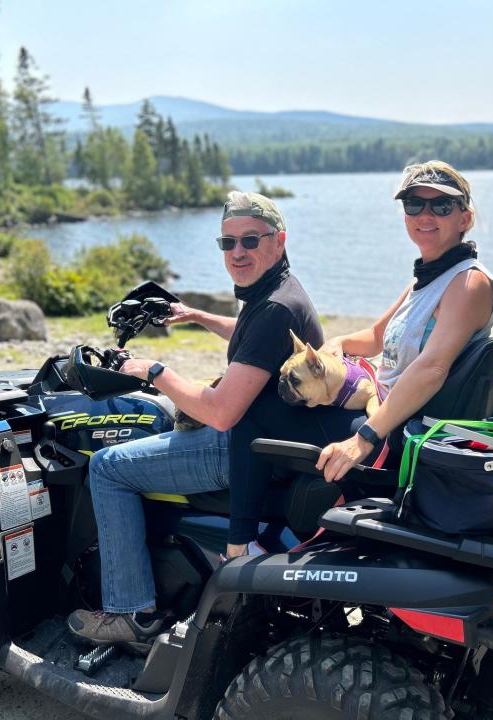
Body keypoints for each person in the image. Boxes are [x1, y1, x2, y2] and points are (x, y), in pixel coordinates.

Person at [67, 191, 323, 648]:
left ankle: (131, 611)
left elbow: (221, 413)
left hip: (241, 446)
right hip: (265, 438)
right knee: (153, 431)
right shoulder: (280, 292)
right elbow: (251, 338)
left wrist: (153, 371)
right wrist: (196, 315)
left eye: (249, 241)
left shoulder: (274, 308)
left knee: (105, 466)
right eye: (227, 244)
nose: (238, 253)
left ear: (278, 241)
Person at [225, 161, 493, 557]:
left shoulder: (468, 283)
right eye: (413, 204)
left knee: (255, 409)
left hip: (401, 430)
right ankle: (282, 528)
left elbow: (432, 369)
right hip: (387, 413)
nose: (425, 215)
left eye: (441, 206)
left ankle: (239, 548)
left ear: (465, 218)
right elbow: (374, 337)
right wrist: (333, 346)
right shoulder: (427, 281)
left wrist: (364, 438)